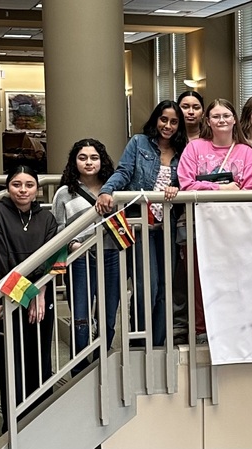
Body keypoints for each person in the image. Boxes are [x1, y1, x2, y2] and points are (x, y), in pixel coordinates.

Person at [96, 100, 185, 347]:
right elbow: (124, 172)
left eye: (174, 122)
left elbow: (187, 180)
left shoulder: (183, 150)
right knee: (148, 287)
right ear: (156, 119)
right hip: (140, 224)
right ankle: (138, 344)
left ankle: (157, 346)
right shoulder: (139, 142)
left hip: (167, 226)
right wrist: (107, 190)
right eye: (164, 119)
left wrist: (177, 188)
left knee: (166, 289)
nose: (168, 126)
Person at [178, 98, 252, 344]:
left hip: (234, 229)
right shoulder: (194, 148)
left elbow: (250, 189)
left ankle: (233, 328)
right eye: (216, 116)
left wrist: (206, 187)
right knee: (199, 281)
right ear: (208, 121)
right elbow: (186, 184)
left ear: (234, 119)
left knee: (234, 280)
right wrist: (222, 189)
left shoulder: (246, 152)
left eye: (226, 115)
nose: (221, 120)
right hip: (198, 226)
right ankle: (201, 331)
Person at [0, 166, 57, 430]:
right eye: (17, 184)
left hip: (41, 300)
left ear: (37, 189)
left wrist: (40, 292)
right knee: (12, 366)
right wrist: (27, 295)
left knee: (40, 360)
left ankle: (41, 424)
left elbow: (50, 260)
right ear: (8, 187)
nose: (23, 190)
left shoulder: (47, 218)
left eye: (29, 185)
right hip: (9, 300)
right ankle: (13, 428)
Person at [52, 139, 121, 376]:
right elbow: (57, 228)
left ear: (102, 161)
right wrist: (72, 244)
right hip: (79, 257)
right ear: (74, 161)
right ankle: (79, 369)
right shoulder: (64, 192)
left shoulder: (114, 189)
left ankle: (103, 360)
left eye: (94, 157)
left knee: (108, 314)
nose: (89, 162)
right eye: (82, 158)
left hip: (111, 254)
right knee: (80, 317)